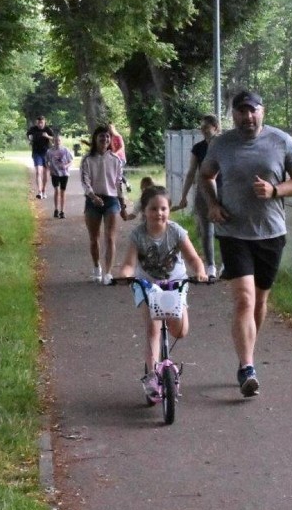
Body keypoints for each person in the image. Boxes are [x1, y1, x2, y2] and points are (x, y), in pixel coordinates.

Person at [199, 90, 292, 397]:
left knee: (260, 302)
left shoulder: (281, 141)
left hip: (270, 233)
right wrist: (212, 203)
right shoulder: (221, 144)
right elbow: (206, 175)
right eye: (241, 112)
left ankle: (246, 353)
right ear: (233, 115)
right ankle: (247, 366)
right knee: (244, 300)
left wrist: (275, 190)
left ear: (262, 111)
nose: (247, 117)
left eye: (252, 111)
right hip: (233, 232)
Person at [117, 185, 207, 400]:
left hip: (174, 281)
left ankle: (161, 365)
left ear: (169, 210)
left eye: (164, 208)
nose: (159, 213)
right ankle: (152, 375)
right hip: (148, 284)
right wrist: (124, 276)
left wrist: (201, 271)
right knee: (152, 330)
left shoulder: (176, 231)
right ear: (144, 211)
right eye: (154, 208)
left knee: (181, 330)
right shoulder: (138, 235)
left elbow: (193, 259)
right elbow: (129, 263)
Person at [175, 114, 221, 279]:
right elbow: (191, 172)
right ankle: (210, 266)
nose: (202, 130)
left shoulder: (224, 145)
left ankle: (227, 264)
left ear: (215, 127)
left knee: (225, 230)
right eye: (201, 128)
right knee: (206, 229)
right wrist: (184, 195)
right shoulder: (199, 148)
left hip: (223, 191)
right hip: (204, 192)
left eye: (205, 127)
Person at [81, 125, 126, 285]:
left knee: (110, 238)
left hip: (111, 201)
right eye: (101, 136)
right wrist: (93, 196)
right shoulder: (87, 159)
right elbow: (85, 182)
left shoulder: (116, 160)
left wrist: (123, 204)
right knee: (94, 238)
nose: (105, 139)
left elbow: (119, 183)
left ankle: (108, 273)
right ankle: (96, 267)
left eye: (107, 137)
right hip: (93, 201)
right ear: (95, 138)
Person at [45, 135, 74, 219]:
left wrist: (66, 166)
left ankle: (62, 211)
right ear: (53, 141)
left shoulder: (65, 150)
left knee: (62, 192)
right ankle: (56, 209)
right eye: (55, 140)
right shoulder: (49, 151)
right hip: (54, 173)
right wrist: (49, 169)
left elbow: (71, 161)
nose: (57, 142)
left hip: (64, 174)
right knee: (56, 190)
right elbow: (46, 162)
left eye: (59, 140)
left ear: (61, 141)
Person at [26, 116, 54, 199]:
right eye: (38, 123)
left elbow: (54, 138)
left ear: (45, 122)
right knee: (38, 171)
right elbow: (28, 135)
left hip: (47, 153)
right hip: (36, 152)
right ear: (36, 122)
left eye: (42, 122)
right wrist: (29, 137)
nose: (40, 124)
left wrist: (47, 136)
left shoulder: (48, 129)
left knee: (46, 173)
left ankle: (44, 190)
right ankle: (39, 192)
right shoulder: (33, 129)